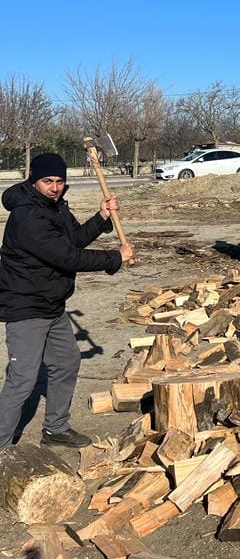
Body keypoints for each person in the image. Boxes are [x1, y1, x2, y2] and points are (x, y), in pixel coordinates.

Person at [0, 152, 134, 449]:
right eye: (48, 181)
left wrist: (101, 217)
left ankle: (55, 428)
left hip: (51, 304)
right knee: (22, 380)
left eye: (60, 181)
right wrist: (115, 258)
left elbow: (73, 239)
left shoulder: (55, 207)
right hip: (26, 307)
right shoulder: (27, 216)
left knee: (66, 361)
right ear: (34, 180)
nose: (55, 187)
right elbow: (67, 257)